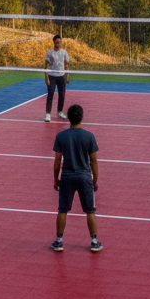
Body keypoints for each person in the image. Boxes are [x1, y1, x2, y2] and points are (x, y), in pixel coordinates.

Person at [51, 103, 102, 252]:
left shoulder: (61, 136)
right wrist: (95, 180)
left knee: (62, 210)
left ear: (68, 117)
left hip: (67, 176)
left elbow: (57, 161)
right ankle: (94, 241)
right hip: (84, 176)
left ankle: (59, 241)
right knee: (90, 210)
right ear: (82, 117)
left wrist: (56, 179)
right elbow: (93, 161)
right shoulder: (89, 136)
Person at [43, 35, 70, 122]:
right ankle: (48, 114)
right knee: (50, 94)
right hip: (52, 76)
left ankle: (60, 111)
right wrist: (46, 77)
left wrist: (67, 76)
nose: (59, 43)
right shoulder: (49, 53)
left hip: (61, 77)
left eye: (60, 42)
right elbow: (46, 66)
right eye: (57, 42)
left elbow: (66, 65)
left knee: (62, 95)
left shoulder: (64, 52)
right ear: (54, 42)